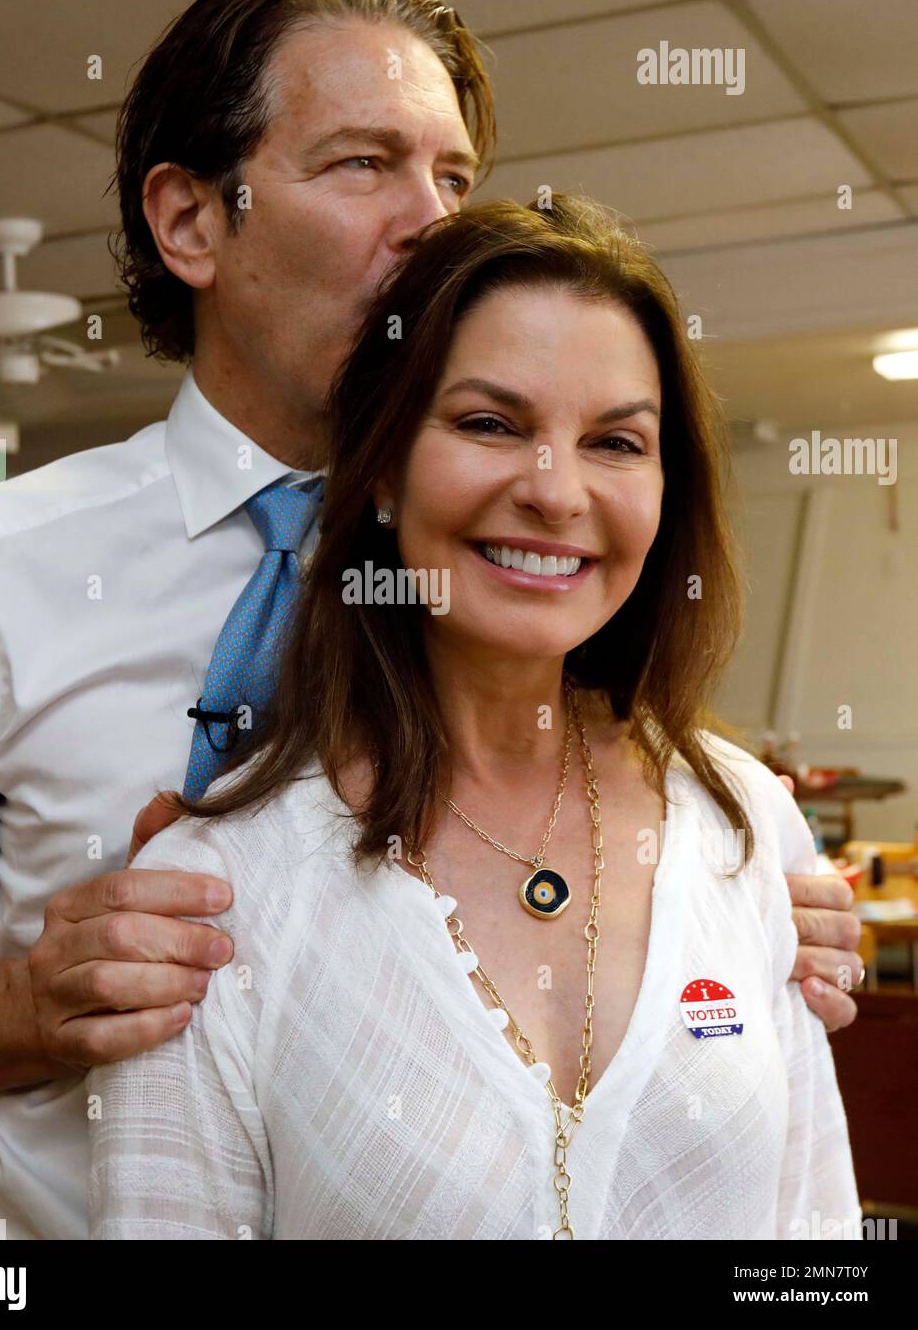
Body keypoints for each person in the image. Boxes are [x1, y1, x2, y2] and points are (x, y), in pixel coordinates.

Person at [0, 0, 860, 1241]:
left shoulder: (517, 561)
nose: (434, 222)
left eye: (453, 177)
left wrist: (735, 921)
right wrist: (25, 1002)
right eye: (361, 166)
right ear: (190, 222)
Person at [86, 194, 862, 1240]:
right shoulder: (221, 887)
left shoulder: (743, 826)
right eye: (488, 423)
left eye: (615, 442)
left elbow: (810, 1238)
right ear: (382, 475)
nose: (555, 491)